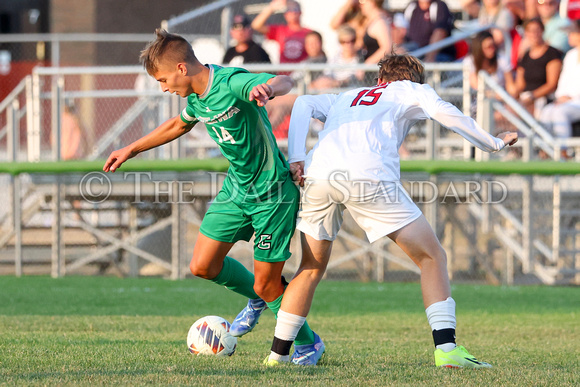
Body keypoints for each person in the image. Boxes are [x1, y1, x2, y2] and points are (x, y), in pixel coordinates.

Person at [263, 53, 518, 367]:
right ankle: (448, 350)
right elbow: (444, 111)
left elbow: (302, 103)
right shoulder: (411, 89)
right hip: (368, 176)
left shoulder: (349, 95)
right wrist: (492, 143)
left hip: (319, 175)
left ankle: (276, 357)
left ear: (379, 79)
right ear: (412, 79)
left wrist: (296, 157)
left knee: (311, 268)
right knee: (431, 256)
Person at [102, 29, 321, 365]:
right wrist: (130, 149)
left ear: (181, 69)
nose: (163, 88)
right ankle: (259, 298)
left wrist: (268, 89)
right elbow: (178, 125)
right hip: (236, 190)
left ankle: (309, 344)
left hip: (273, 193)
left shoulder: (231, 81)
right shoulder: (196, 98)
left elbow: (285, 81)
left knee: (267, 284)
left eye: (162, 79)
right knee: (202, 265)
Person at [539, 19, 580, 154]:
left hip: (576, 102)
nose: (569, 36)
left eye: (573, 33)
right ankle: (546, 150)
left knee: (559, 113)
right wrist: (561, 96)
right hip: (568, 102)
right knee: (546, 111)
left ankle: (563, 152)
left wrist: (571, 97)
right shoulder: (570, 55)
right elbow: (563, 82)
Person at [514, 18, 562, 116]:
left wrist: (532, 96)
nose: (534, 34)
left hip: (543, 99)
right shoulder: (525, 56)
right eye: (530, 31)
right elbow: (519, 85)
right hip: (526, 98)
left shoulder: (552, 53)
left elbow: (552, 84)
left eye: (537, 30)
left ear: (542, 31)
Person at [251, 0, 311, 64]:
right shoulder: (280, 30)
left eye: (295, 9)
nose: (292, 12)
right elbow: (256, 25)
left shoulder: (309, 33)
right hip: (284, 71)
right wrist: (271, 8)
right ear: (285, 14)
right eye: (289, 10)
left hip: (302, 71)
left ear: (300, 12)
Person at [309, 25, 363, 91]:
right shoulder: (335, 57)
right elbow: (327, 74)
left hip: (352, 93)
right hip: (333, 91)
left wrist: (339, 83)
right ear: (339, 42)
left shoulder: (361, 58)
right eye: (344, 42)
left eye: (352, 41)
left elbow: (356, 78)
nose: (348, 45)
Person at [358, 0, 393, 65]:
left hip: (376, 70)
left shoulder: (380, 23)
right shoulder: (372, 21)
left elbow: (387, 48)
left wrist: (367, 64)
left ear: (372, 2)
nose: (360, 5)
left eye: (362, 2)